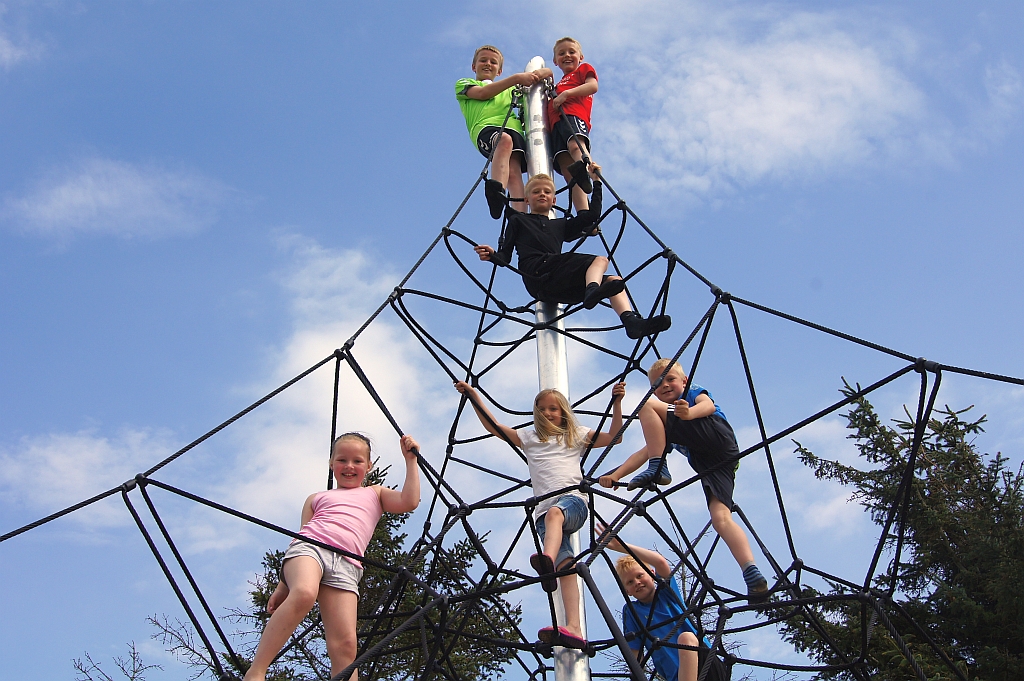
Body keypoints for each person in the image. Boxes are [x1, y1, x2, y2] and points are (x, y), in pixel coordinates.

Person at [453, 380, 625, 649]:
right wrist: (474, 396)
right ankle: (574, 627)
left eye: (553, 409)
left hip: (573, 503)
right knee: (566, 568)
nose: (547, 413)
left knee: (556, 515)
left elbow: (615, 436)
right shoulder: (530, 438)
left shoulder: (575, 435)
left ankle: (547, 557)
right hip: (543, 513)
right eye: (542, 409)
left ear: (563, 412)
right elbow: (493, 427)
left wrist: (616, 404)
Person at [243, 433, 421, 681]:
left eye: (357, 461)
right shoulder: (317, 498)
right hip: (311, 550)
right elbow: (302, 535)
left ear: (369, 466)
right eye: (342, 460)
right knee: (304, 592)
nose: (349, 466)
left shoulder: (375, 494)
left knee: (346, 645)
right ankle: (256, 672)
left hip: (347, 565)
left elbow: (409, 501)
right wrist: (283, 585)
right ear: (331, 463)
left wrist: (410, 461)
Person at [599, 359, 769, 602]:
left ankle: (658, 467)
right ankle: (750, 571)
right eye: (658, 383)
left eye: (670, 379)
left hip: (715, 433)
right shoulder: (666, 426)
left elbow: (707, 406)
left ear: (684, 381)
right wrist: (616, 475)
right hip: (713, 463)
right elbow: (645, 450)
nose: (664, 385)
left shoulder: (691, 394)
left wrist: (689, 412)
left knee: (645, 405)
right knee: (720, 518)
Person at [473, 171, 672, 339]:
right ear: (526, 199)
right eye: (536, 192)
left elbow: (591, 216)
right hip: (536, 273)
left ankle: (631, 323)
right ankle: (592, 290)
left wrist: (597, 183)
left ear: (554, 199)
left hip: (558, 286)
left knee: (614, 280)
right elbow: (505, 257)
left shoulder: (560, 225)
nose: (542, 194)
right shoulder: (518, 220)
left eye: (547, 192)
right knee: (600, 260)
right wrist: (492, 255)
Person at [599, 523, 730, 681]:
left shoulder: (666, 593)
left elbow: (660, 562)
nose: (637, 582)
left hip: (706, 664)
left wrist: (621, 546)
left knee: (686, 638)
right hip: (675, 677)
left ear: (652, 574)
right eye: (630, 582)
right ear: (627, 591)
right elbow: (635, 655)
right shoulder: (632, 612)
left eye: (640, 575)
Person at [456, 45, 553, 219]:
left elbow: (547, 73)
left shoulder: (510, 90)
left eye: (493, 62)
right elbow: (483, 93)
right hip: (486, 128)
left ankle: (520, 219)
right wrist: (516, 78)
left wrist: (538, 74)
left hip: (514, 129)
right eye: (483, 60)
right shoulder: (465, 84)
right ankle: (496, 191)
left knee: (514, 174)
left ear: (499, 70)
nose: (488, 64)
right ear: (473, 66)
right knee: (504, 141)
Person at [547, 37, 599, 212]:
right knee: (567, 170)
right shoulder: (556, 85)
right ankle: (584, 213)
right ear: (555, 60)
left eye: (571, 52)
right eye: (561, 53)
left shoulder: (582, 70)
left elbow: (592, 86)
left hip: (573, 115)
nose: (567, 55)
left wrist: (566, 94)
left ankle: (589, 173)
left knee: (575, 145)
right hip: (556, 127)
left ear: (581, 56)